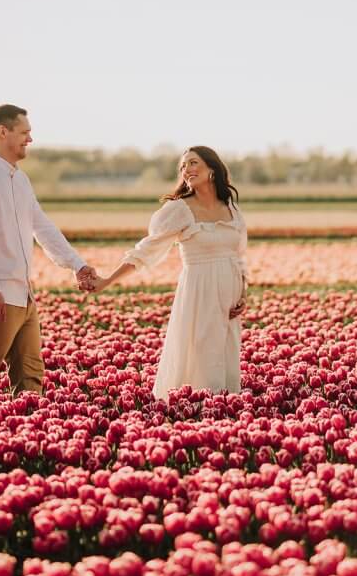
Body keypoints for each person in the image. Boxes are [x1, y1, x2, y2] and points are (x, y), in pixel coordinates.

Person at [0, 104, 97, 398]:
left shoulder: (20, 180)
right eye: (24, 132)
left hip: (22, 294)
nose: (30, 139)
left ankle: (25, 437)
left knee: (31, 378)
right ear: (2, 132)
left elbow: (42, 228)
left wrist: (77, 265)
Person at [85, 146, 247, 398]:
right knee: (202, 353)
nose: (187, 170)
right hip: (199, 291)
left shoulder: (231, 209)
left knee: (225, 351)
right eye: (183, 166)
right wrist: (107, 280)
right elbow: (147, 249)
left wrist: (243, 293)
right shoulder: (180, 209)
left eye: (193, 163)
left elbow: (239, 256)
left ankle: (226, 410)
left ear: (212, 169)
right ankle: (197, 409)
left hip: (230, 297)